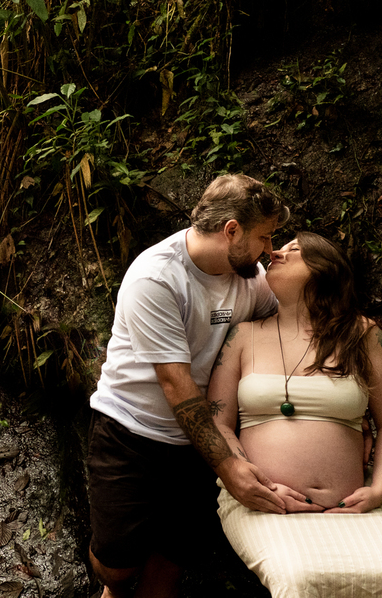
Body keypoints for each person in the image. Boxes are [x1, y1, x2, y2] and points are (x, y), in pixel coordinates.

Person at [87, 174, 291, 598]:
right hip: (131, 432)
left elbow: (284, 328)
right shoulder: (157, 278)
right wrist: (229, 469)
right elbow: (176, 384)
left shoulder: (249, 277)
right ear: (231, 230)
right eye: (264, 237)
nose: (270, 250)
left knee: (171, 562)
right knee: (116, 566)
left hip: (199, 441)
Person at [207, 232, 382, 597]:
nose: (276, 252)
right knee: (297, 581)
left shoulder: (361, 335)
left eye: (294, 249)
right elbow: (217, 424)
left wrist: (379, 489)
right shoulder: (242, 336)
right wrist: (250, 482)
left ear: (325, 270)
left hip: (349, 509)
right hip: (264, 504)